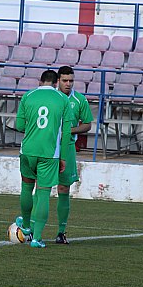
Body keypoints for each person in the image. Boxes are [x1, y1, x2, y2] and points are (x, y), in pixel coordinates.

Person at [14, 70, 74, 248]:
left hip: (28, 150)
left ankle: (25, 227)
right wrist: (63, 158)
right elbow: (67, 133)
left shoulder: (28, 95)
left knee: (26, 187)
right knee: (43, 193)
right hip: (49, 153)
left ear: (40, 81)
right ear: (56, 83)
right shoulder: (63, 99)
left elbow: (19, 126)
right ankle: (37, 238)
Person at [54, 66, 93, 244]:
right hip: (47, 147)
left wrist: (70, 130)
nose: (68, 84)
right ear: (58, 81)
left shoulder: (79, 100)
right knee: (40, 188)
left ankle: (61, 232)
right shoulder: (51, 98)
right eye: (64, 80)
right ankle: (31, 228)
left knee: (63, 189)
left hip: (67, 148)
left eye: (71, 81)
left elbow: (87, 124)